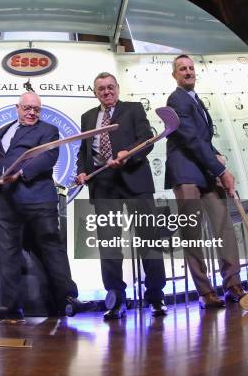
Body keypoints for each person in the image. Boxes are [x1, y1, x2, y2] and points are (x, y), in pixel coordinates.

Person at [0, 92, 93, 322]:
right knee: (8, 254)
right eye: (27, 108)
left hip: (37, 200)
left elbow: (48, 158)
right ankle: (11, 306)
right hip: (4, 202)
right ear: (18, 107)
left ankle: (68, 299)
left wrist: (21, 173)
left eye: (36, 109)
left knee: (52, 249)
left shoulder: (49, 130)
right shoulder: (3, 132)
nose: (32, 112)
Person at [75, 72, 167, 319]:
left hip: (135, 180)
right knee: (109, 246)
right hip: (103, 186)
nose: (106, 92)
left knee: (149, 240)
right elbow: (83, 151)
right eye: (101, 89)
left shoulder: (134, 109)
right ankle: (116, 300)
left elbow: (147, 139)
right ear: (95, 92)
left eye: (110, 87)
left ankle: (156, 297)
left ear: (117, 88)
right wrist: (82, 171)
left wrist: (129, 154)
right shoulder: (87, 117)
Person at [165, 55, 245, 309]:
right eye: (182, 69)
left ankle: (232, 284)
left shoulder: (196, 100)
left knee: (224, 227)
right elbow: (190, 139)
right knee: (192, 235)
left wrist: (217, 158)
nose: (188, 72)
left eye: (190, 68)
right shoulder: (176, 99)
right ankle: (205, 292)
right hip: (186, 173)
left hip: (204, 171)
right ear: (175, 75)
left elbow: (204, 141)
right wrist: (220, 171)